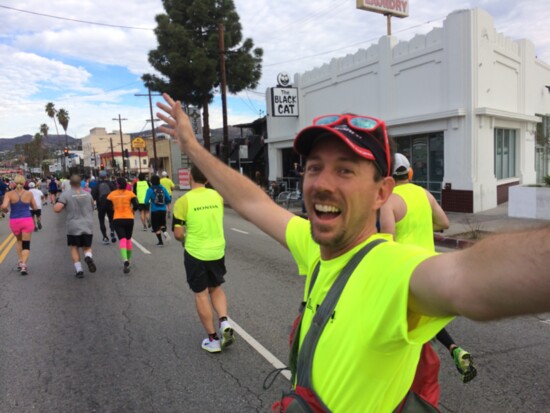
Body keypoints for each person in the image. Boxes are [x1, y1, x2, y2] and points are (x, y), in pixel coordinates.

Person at [157, 95, 550, 411]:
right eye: (314, 168)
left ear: (382, 193)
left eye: (345, 170)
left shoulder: (393, 268)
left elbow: (471, 279)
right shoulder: (315, 245)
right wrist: (192, 147)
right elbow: (254, 204)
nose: (322, 183)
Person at [379, 153, 475, 406]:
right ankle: (454, 348)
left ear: (388, 177)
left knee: (404, 332)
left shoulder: (388, 202)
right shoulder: (425, 194)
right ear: (409, 173)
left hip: (404, 274)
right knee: (424, 321)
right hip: (429, 271)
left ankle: (402, 390)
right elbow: (443, 222)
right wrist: (423, 226)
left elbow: (386, 242)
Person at [172, 164, 235, 353]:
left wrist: (184, 239)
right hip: (217, 250)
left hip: (196, 252)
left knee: (201, 294)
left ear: (190, 177)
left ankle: (213, 339)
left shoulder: (183, 201)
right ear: (207, 179)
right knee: (216, 287)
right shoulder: (217, 197)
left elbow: (177, 233)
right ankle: (224, 322)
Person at [53, 175, 97, 279]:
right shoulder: (88, 194)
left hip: (73, 225)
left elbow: (57, 209)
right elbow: (93, 207)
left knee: (74, 247)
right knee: (87, 246)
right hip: (87, 224)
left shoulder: (66, 195)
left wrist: (57, 203)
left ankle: (79, 270)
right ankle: (88, 257)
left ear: (70, 183)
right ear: (80, 183)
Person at [1, 174, 37, 275]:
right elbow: (35, 207)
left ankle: (20, 261)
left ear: (14, 182)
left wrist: (7, 210)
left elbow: (4, 206)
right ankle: (24, 266)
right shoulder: (29, 194)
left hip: (15, 221)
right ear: (24, 182)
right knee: (26, 243)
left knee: (19, 241)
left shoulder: (9, 194)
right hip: (27, 220)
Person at [107, 177, 138, 274]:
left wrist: (113, 210)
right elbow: (136, 205)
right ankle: (128, 260)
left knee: (122, 239)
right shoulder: (130, 194)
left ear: (117, 184)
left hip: (118, 219)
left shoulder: (112, 194)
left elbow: (107, 206)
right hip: (129, 219)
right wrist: (132, 211)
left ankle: (124, 259)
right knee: (128, 239)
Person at [145, 174, 171, 247]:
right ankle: (165, 232)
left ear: (151, 182)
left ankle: (160, 242)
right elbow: (168, 199)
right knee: (162, 224)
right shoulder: (163, 189)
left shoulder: (150, 190)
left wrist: (151, 201)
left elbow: (146, 201)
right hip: (163, 210)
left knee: (156, 226)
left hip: (154, 210)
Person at [91, 171, 117, 245]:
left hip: (101, 205)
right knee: (111, 219)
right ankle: (112, 231)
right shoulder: (111, 184)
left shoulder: (96, 185)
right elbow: (115, 193)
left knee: (101, 221)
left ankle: (105, 237)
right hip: (110, 205)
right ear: (106, 176)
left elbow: (92, 196)